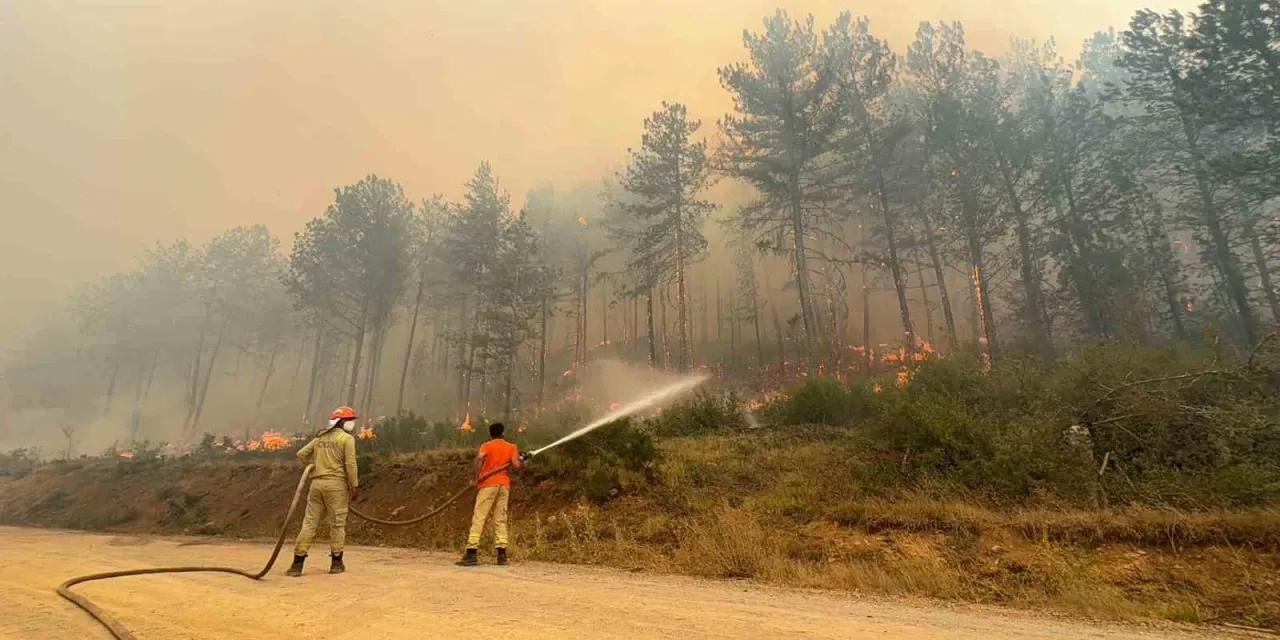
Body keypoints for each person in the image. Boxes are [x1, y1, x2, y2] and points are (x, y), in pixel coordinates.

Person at [286, 406, 360, 577]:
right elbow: (350, 463)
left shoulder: (321, 438)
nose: (352, 424)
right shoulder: (346, 439)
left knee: (309, 524)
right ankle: (336, 563)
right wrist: (354, 485)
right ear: (342, 422)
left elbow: (301, 454)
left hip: (316, 485)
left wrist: (313, 468)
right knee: (337, 524)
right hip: (336, 486)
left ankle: (297, 565)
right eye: (351, 421)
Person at [456, 422, 523, 566]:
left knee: (479, 517)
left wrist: (475, 479)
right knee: (500, 518)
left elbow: (479, 458)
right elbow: (517, 465)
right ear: (503, 433)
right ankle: (502, 555)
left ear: (491, 434)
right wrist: (522, 458)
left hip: (488, 484)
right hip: (503, 485)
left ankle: (471, 552)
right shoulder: (511, 447)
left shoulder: (486, 446)